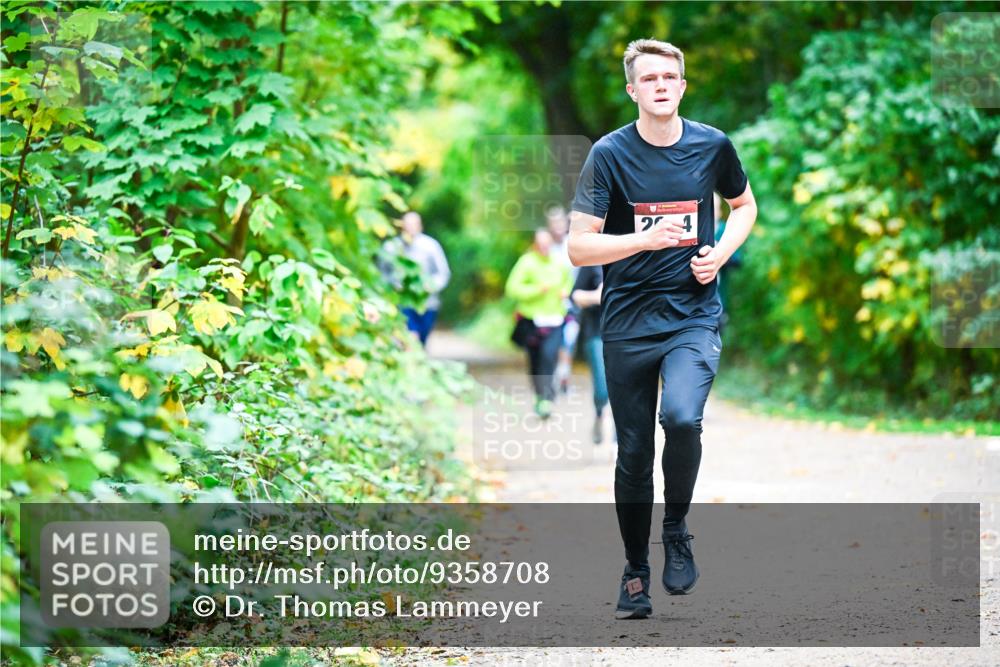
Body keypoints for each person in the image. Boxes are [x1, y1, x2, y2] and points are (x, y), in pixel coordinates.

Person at [567, 39, 757, 620]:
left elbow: (744, 207)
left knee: (680, 416)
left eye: (670, 76)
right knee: (632, 452)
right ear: (632, 90)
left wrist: (719, 254)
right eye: (649, 78)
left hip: (692, 314)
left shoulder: (711, 145)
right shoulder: (608, 154)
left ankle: (675, 529)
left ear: (682, 84)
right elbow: (579, 245)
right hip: (627, 321)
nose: (661, 86)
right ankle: (634, 569)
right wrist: (641, 240)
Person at [505, 228, 573, 419]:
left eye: (547, 244)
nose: (544, 248)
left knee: (548, 356)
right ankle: (539, 395)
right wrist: (536, 290)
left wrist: (565, 292)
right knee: (535, 361)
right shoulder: (526, 262)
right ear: (535, 244)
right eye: (540, 244)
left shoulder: (559, 263)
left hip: (555, 320)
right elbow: (512, 289)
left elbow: (568, 283)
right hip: (531, 321)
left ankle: (547, 398)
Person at [378, 211, 450, 346]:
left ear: (420, 226)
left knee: (422, 340)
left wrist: (430, 286)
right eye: (407, 225)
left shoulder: (431, 246)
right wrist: (393, 285)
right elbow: (381, 273)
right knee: (410, 338)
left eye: (413, 225)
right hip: (402, 302)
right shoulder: (391, 247)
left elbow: (443, 273)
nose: (410, 229)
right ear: (401, 227)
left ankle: (418, 361)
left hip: (428, 303)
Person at [569, 265, 612, 444]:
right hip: (596, 333)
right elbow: (575, 295)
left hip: (629, 332)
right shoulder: (593, 262)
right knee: (602, 389)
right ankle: (600, 413)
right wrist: (597, 296)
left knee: (627, 390)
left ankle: (618, 441)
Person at [546, 206, 580, 396]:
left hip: (571, 305)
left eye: (561, 223)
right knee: (554, 344)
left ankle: (563, 378)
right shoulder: (546, 247)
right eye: (554, 223)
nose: (558, 227)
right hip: (550, 306)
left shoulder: (572, 243)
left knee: (568, 343)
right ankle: (554, 379)